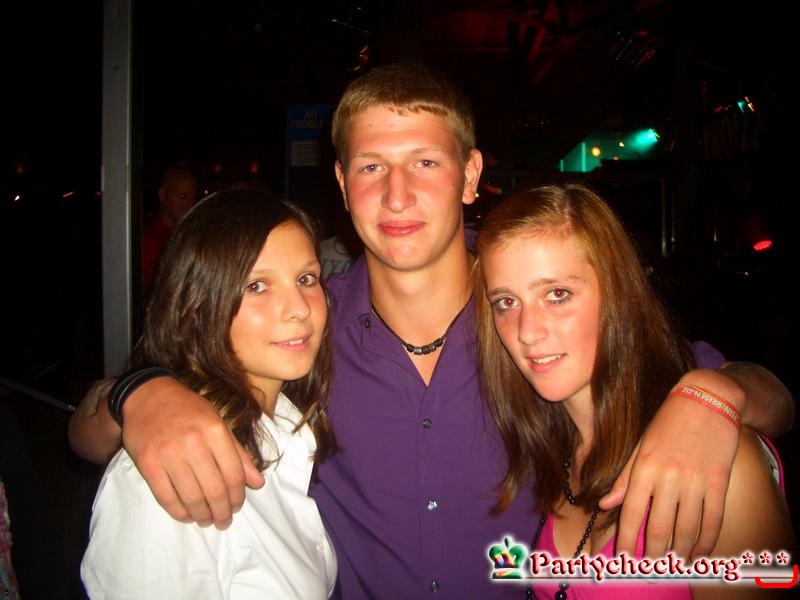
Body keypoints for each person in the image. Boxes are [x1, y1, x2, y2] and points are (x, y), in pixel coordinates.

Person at [68, 62, 794, 599]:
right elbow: (87, 431)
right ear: (342, 184)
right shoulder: (303, 326)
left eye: (424, 162)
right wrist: (140, 394)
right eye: (372, 167)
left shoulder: (539, 324)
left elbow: (773, 397)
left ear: (471, 175)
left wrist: (711, 397)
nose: (397, 195)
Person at [475, 184, 794, 598]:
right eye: (506, 302)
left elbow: (778, 400)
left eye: (557, 295)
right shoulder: (548, 453)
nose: (527, 332)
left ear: (617, 295)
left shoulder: (717, 461)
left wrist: (716, 392)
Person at [76, 188, 338, 598]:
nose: (300, 308)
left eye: (306, 279)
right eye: (257, 285)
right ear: (198, 302)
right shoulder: (173, 472)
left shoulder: (289, 425)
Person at [140, 165, 200, 286]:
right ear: (163, 195)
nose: (190, 204)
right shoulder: (151, 241)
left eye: (193, 197)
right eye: (182, 196)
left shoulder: (182, 235)